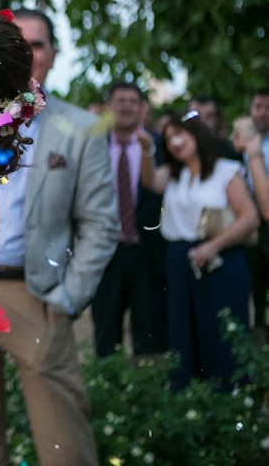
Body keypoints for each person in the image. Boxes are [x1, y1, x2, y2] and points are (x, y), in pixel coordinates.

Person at [0, 8, 119, 466]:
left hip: (36, 294)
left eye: (37, 44)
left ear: (52, 55)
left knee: (64, 446)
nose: (28, 53)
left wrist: (68, 297)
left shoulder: (78, 129)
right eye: (18, 42)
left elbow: (100, 223)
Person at [138, 113, 259, 389]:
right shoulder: (173, 174)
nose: (176, 142)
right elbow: (150, 182)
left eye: (181, 134)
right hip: (181, 260)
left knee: (221, 334)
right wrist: (148, 151)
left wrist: (211, 247)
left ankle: (232, 402)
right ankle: (191, 403)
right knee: (184, 331)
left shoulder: (225, 170)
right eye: (169, 139)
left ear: (197, 134)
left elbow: (249, 217)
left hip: (221, 258)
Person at [92, 82, 167, 357]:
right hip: (105, 254)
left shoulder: (159, 145)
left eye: (133, 101)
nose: (126, 106)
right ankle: (108, 392)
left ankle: (145, 392)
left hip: (147, 254)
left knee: (149, 336)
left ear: (142, 108)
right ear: (109, 107)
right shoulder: (92, 144)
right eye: (120, 100)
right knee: (105, 335)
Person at [243, 89, 269, 341]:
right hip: (247, 225)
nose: (262, 112)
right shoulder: (238, 142)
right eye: (258, 106)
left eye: (267, 107)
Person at [188, 96, 240, 160]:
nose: (202, 121)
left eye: (209, 116)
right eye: (196, 116)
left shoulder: (231, 155)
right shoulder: (178, 155)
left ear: (218, 120)